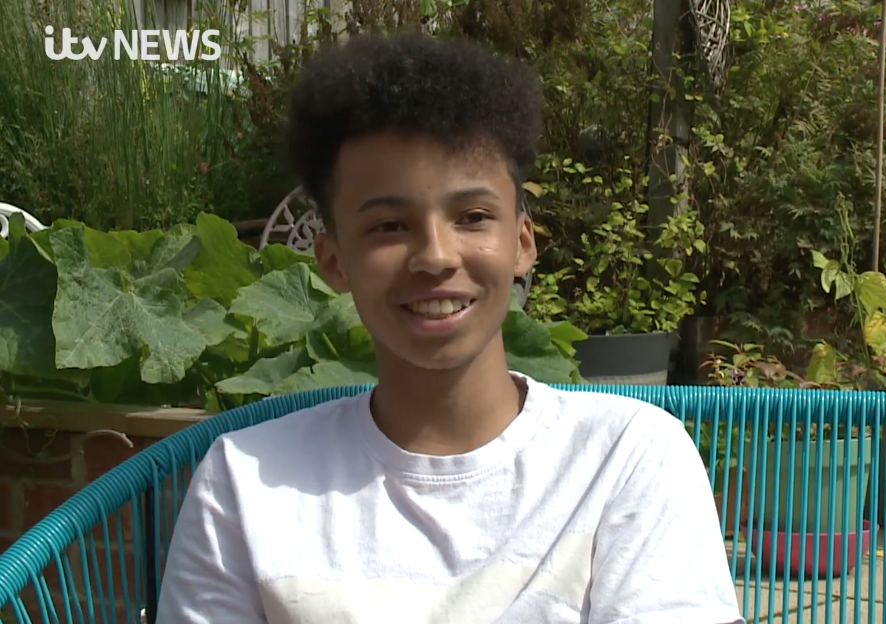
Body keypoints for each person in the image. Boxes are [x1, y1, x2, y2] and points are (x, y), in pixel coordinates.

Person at [155, 30, 742, 624]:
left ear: (521, 243)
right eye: (389, 226)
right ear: (333, 262)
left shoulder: (627, 459)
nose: (435, 256)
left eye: (473, 217)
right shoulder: (244, 484)